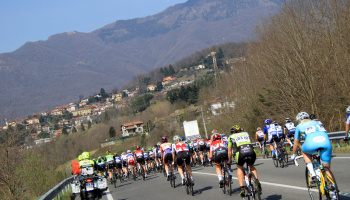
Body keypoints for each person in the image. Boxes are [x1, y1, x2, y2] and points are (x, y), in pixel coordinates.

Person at [291, 112, 333, 184]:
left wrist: (294, 154)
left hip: (311, 144)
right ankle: (333, 189)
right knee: (327, 168)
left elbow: (296, 144)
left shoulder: (299, 126)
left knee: (304, 151)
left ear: (298, 120)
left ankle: (312, 173)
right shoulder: (318, 122)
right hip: (326, 143)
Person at [228, 125, 261, 197]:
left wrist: (230, 161)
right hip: (251, 151)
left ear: (232, 132)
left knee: (240, 167)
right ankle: (257, 182)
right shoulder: (246, 133)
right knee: (251, 166)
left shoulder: (231, 137)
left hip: (241, 152)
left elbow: (229, 151)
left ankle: (242, 188)